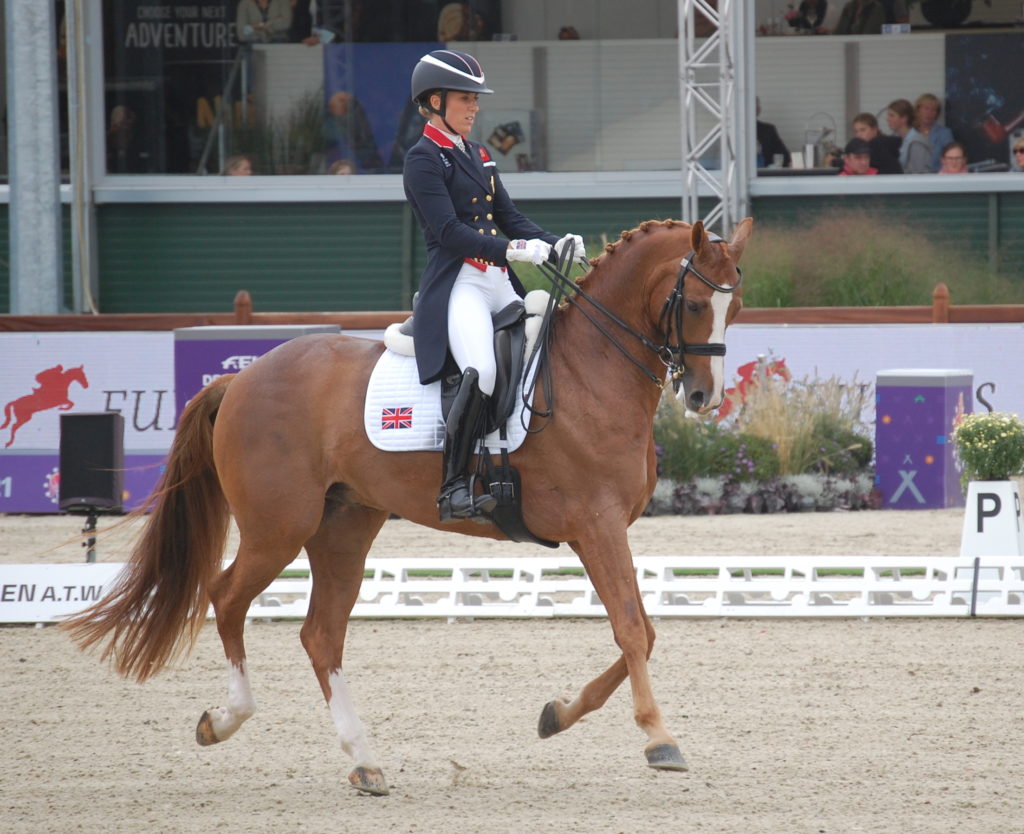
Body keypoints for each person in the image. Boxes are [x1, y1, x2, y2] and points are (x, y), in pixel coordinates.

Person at [403, 49, 586, 523]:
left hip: (498, 281)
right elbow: (449, 231)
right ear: (435, 101)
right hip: (459, 281)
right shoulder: (423, 159)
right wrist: (510, 251)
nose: (474, 107)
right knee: (481, 370)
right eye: (466, 99)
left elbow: (508, 217)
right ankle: (453, 487)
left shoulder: (479, 154)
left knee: (552, 343)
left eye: (475, 99)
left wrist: (554, 240)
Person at [886, 99, 931, 174]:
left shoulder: (917, 142)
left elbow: (917, 172)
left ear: (904, 118)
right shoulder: (895, 139)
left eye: (892, 116)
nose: (888, 119)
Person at [914, 93, 955, 173]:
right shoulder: (910, 133)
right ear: (918, 110)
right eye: (926, 109)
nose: (929, 113)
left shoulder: (944, 133)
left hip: (936, 179)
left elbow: (952, 160)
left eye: (933, 110)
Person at [756, 98, 791, 168]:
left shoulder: (768, 130)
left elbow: (784, 156)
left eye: (757, 106)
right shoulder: (732, 132)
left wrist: (774, 166)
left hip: (764, 175)